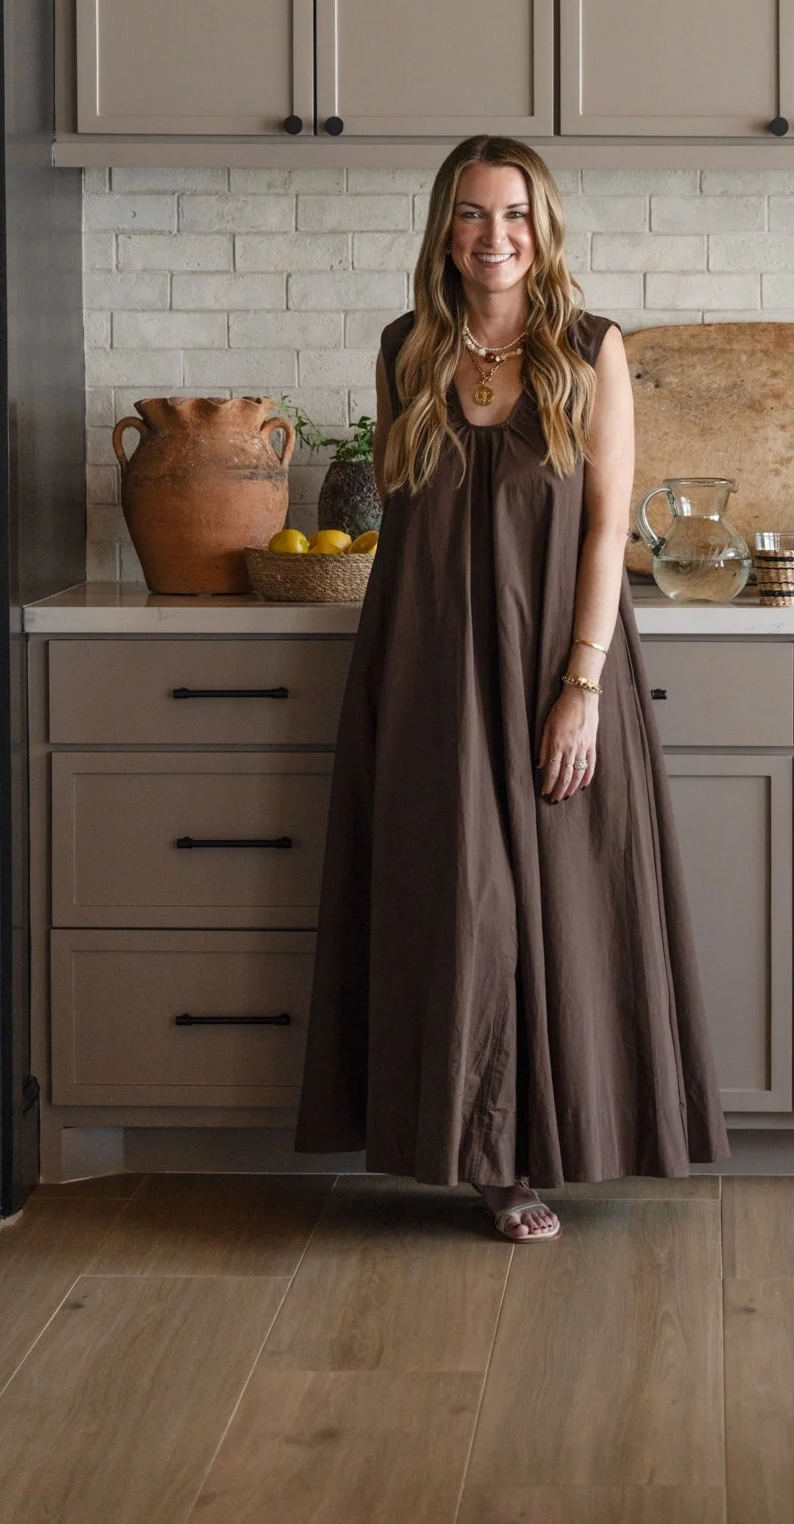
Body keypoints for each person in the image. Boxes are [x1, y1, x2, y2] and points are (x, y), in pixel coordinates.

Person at [295, 135, 729, 1240]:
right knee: (461, 910)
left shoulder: (590, 348)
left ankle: (559, 1149)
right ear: (445, 228)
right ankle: (486, 1165)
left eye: (517, 215)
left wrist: (580, 685)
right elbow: (409, 519)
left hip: (557, 664)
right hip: (428, 664)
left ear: (545, 229)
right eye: (475, 215)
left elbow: (601, 532)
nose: (497, 237)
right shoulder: (407, 350)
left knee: (566, 916)